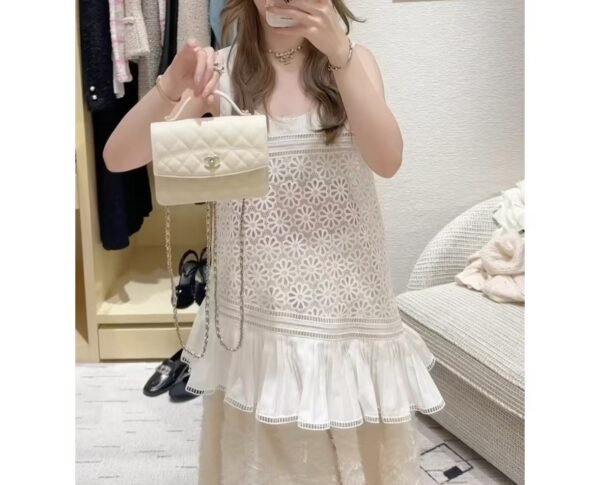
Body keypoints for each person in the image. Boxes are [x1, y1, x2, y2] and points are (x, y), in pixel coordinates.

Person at [104, 1, 445, 483]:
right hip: (256, 318)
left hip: (348, 312)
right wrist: (171, 85)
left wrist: (340, 55)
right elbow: (119, 158)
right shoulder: (220, 70)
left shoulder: (355, 61)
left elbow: (387, 160)